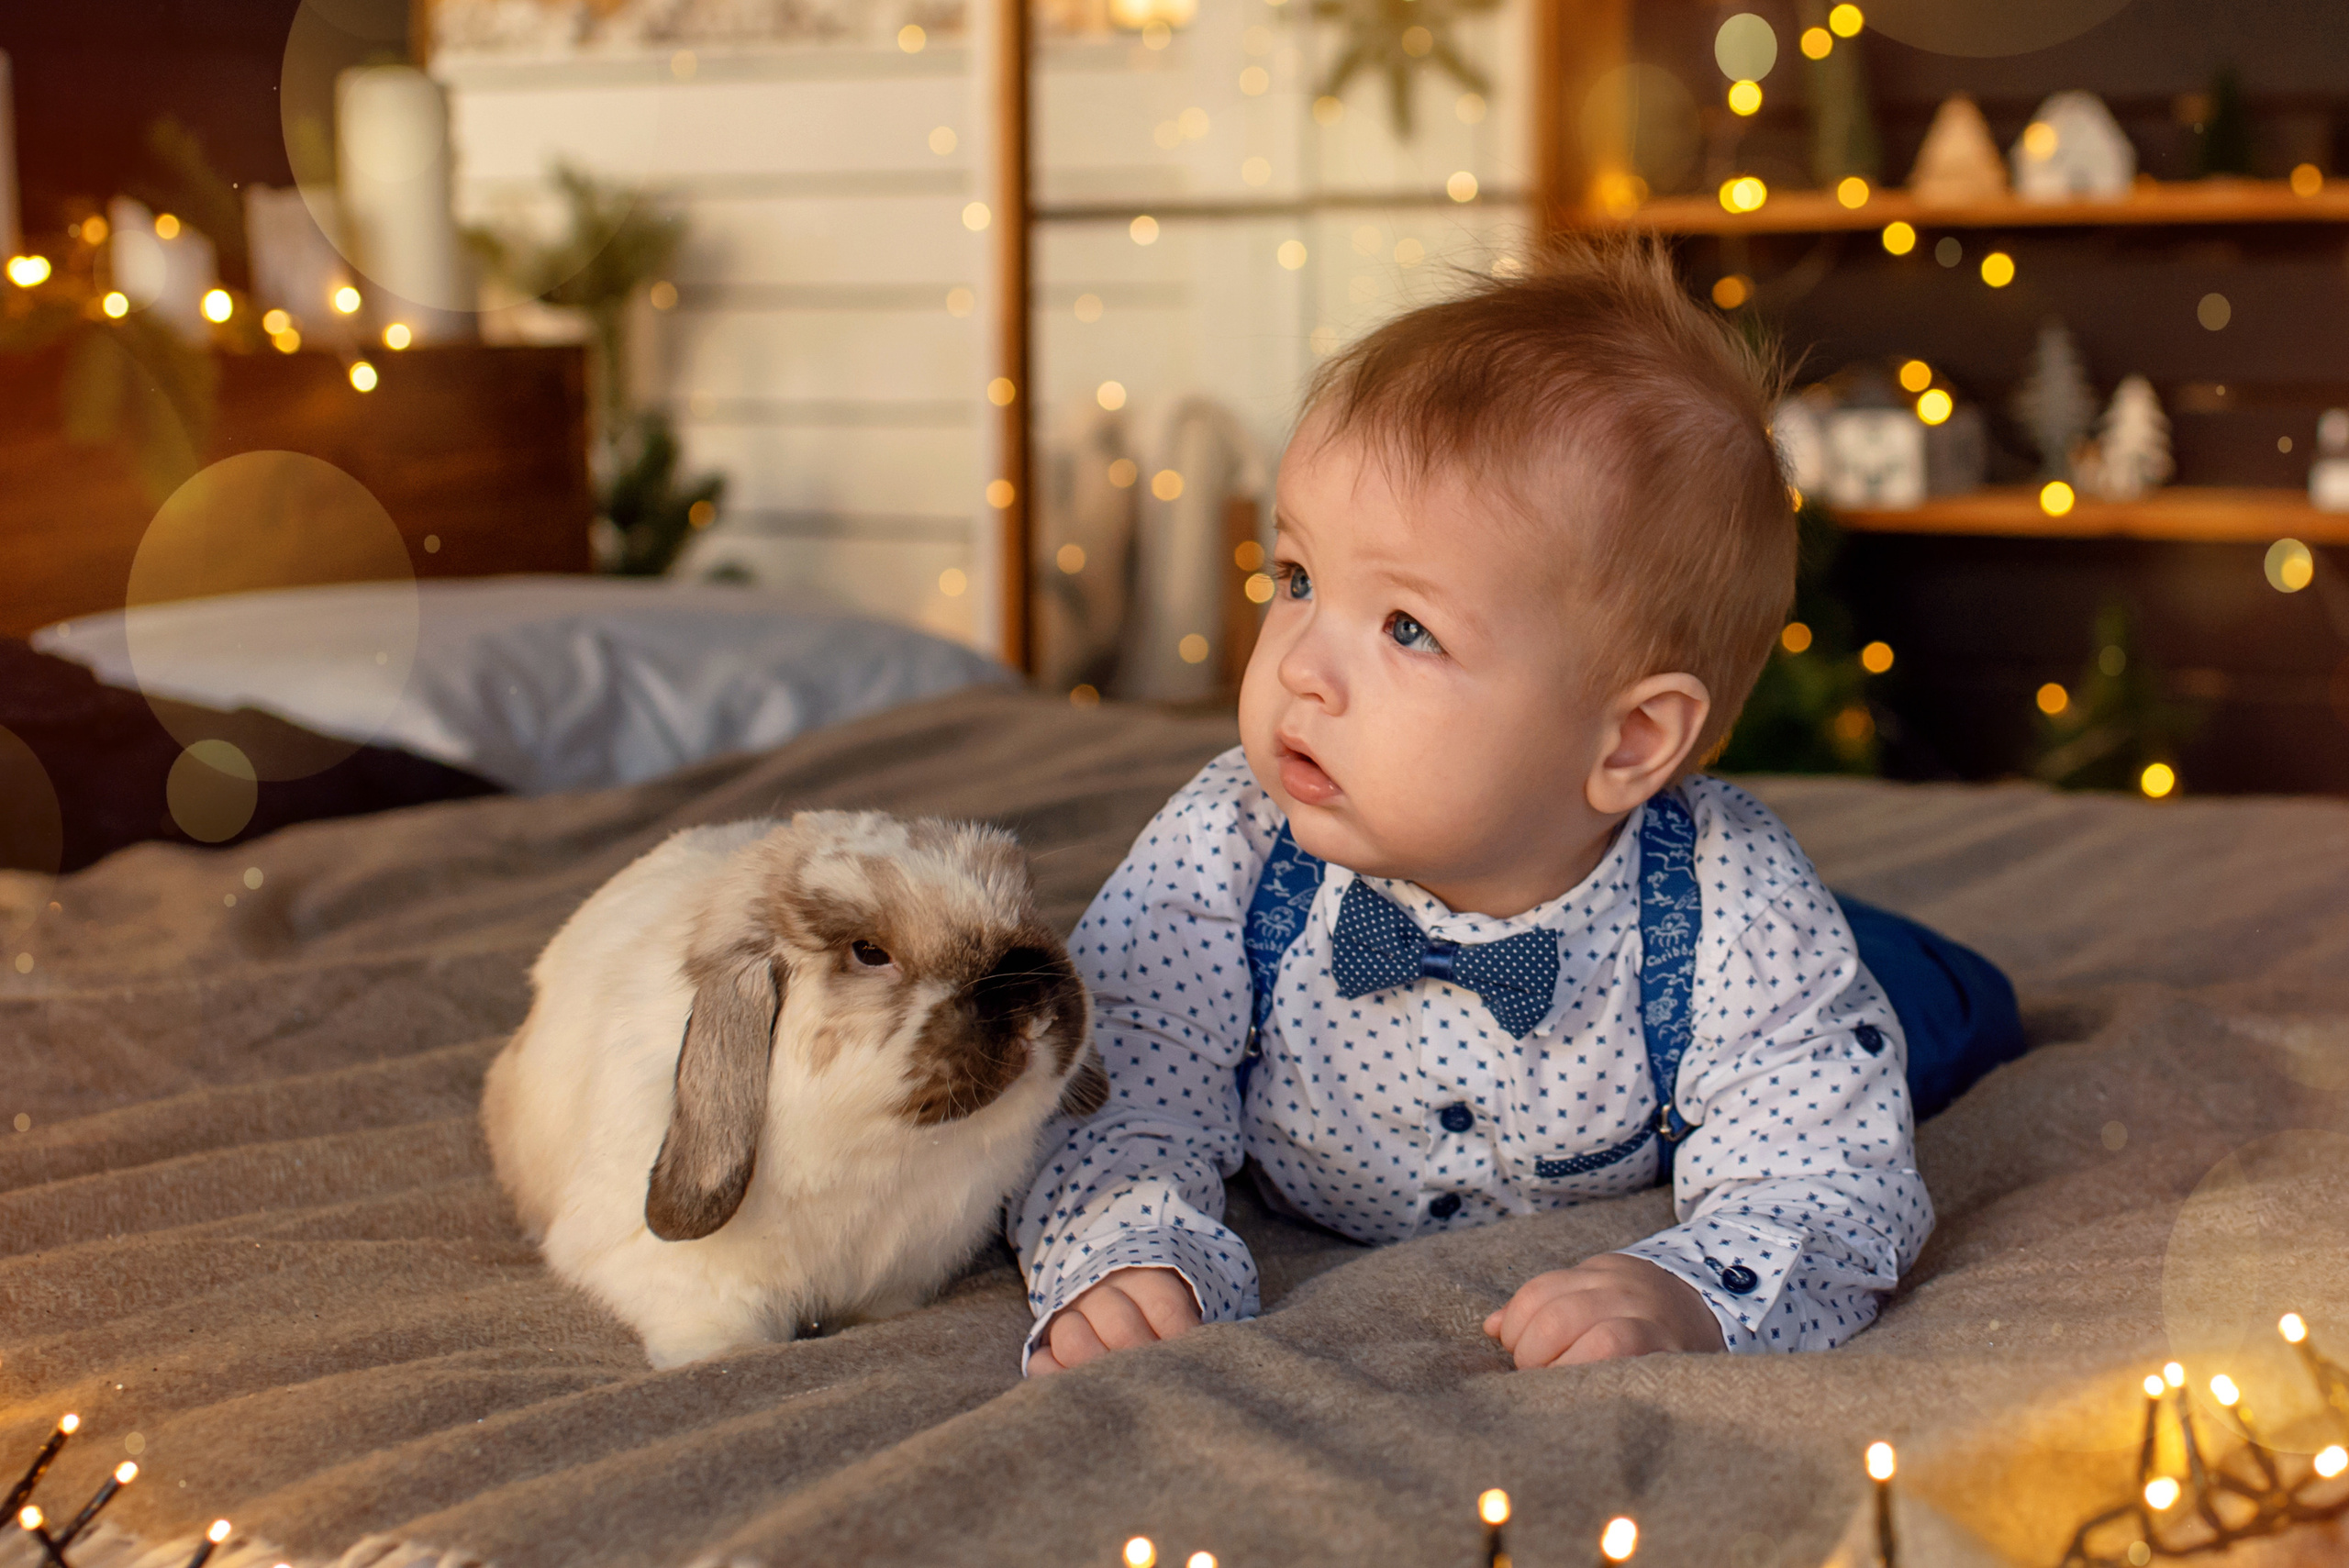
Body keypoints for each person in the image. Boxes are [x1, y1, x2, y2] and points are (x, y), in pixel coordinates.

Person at [1013, 239, 2018, 1377]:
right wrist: (1126, 1248)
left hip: (1744, 969)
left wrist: (1690, 1289)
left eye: (1406, 628)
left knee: (1925, 1013)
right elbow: (1117, 1076)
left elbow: (1826, 1176)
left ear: (1629, 739)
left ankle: (1921, 973)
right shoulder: (1230, 844)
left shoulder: (1728, 901)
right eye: (1296, 579)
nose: (1299, 667)